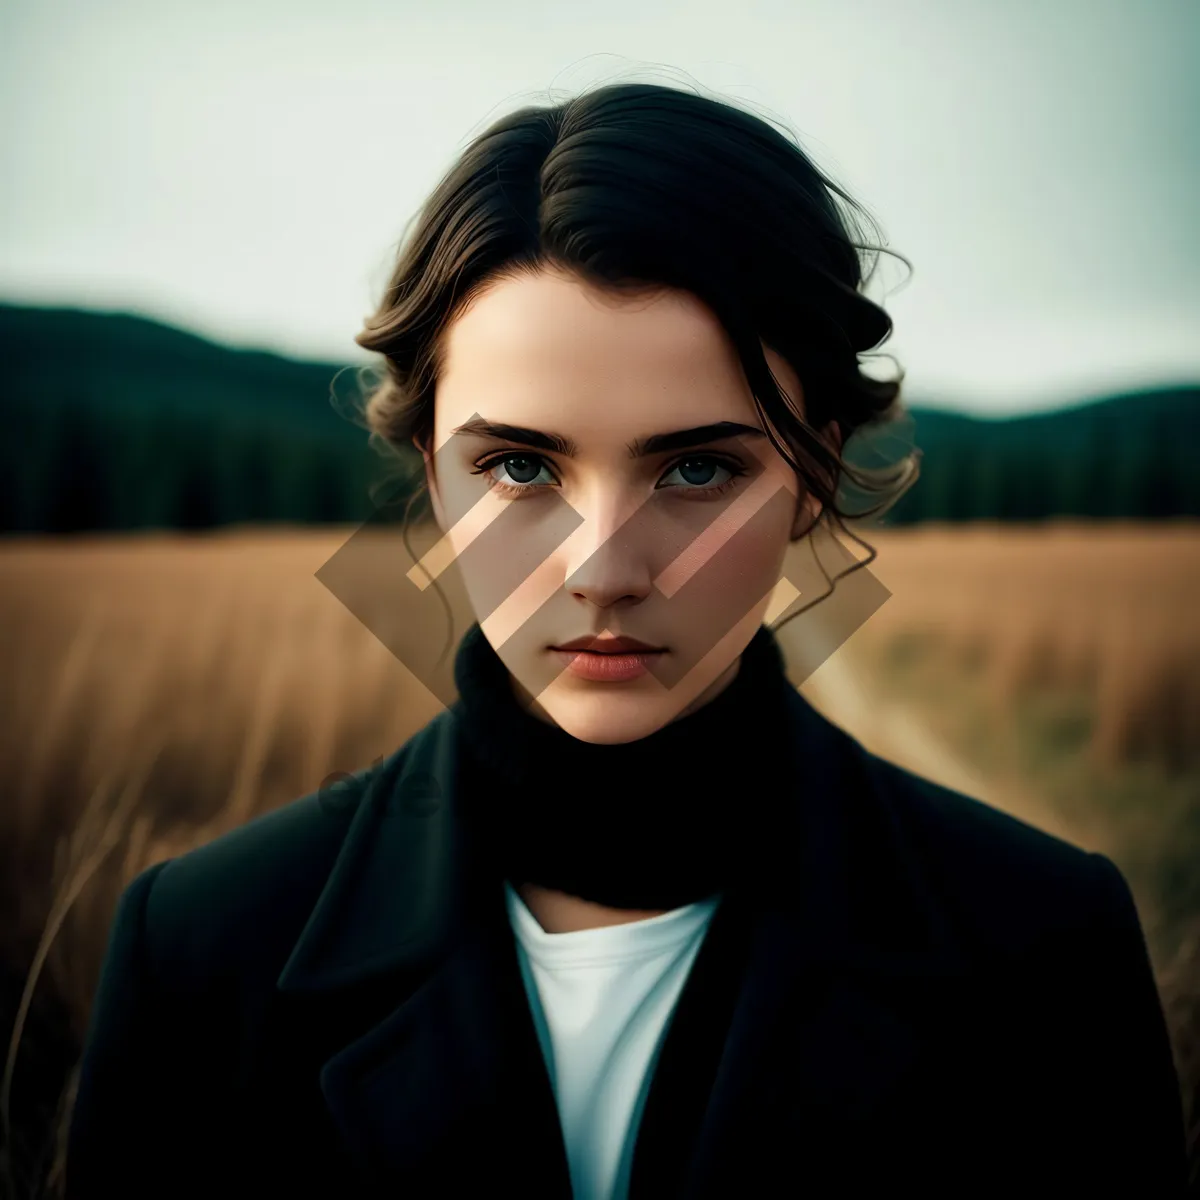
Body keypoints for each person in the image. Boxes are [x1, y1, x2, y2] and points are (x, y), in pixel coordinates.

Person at [64, 78, 1187, 1198]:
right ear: (431, 478)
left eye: (698, 468)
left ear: (815, 475)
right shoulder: (201, 950)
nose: (605, 572)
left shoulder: (1046, 945)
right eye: (519, 467)